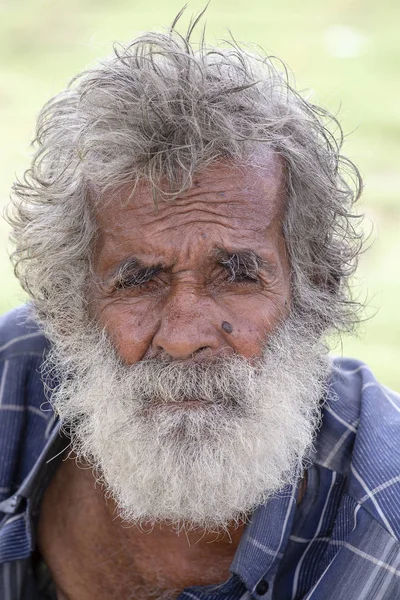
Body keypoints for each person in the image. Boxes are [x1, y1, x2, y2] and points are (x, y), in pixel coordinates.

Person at [1, 15, 400, 600]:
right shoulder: (11, 375)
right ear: (70, 308)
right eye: (138, 279)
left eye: (238, 274)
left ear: (310, 289)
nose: (184, 335)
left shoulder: (383, 521)